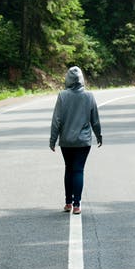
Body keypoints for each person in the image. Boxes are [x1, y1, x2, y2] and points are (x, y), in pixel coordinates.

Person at [49, 65, 102, 214]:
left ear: (68, 79)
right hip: (83, 141)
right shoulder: (89, 96)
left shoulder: (62, 96)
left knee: (68, 168)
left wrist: (53, 140)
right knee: (78, 170)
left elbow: (56, 120)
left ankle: (68, 203)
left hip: (66, 141)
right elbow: (95, 119)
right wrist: (99, 135)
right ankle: (77, 205)